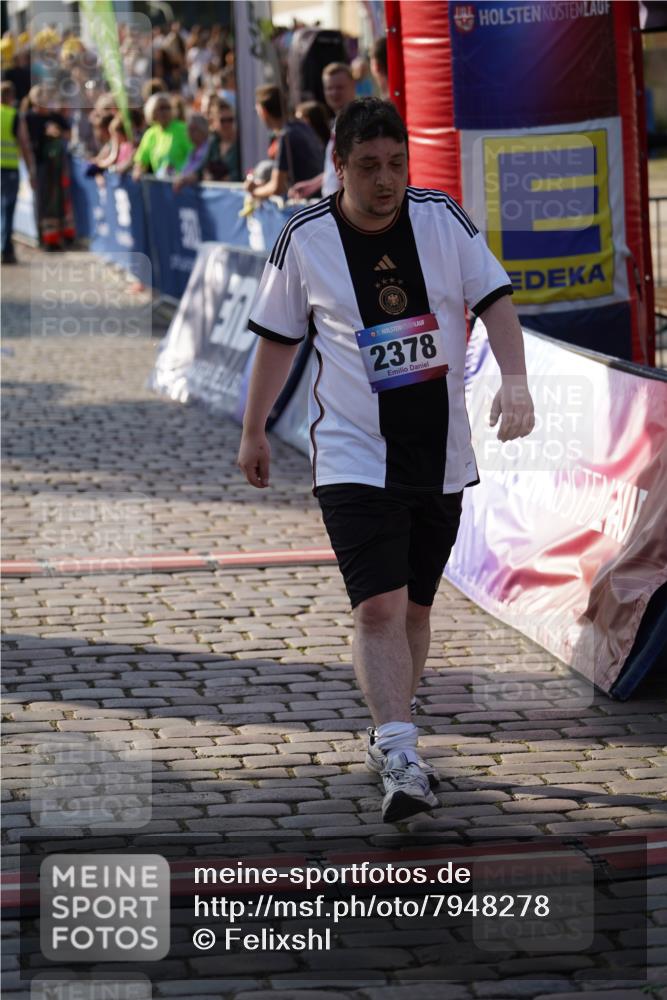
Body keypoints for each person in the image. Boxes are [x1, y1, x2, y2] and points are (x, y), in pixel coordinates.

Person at [238, 98, 535, 824]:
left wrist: (516, 379)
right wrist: (252, 431)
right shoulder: (302, 237)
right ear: (337, 166)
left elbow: (493, 298)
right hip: (350, 452)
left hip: (439, 452)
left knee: (415, 608)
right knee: (377, 606)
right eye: (368, 166)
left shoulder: (442, 218)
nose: (385, 180)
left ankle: (390, 726)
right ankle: (400, 750)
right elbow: (277, 340)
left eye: (396, 164)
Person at [288, 62, 356, 201]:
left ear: (352, 86)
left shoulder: (358, 122)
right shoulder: (338, 121)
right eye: (329, 88)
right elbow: (336, 168)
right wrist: (313, 185)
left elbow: (355, 169)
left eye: (340, 88)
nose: (334, 93)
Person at [244, 84, 323, 202]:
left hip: (306, 204)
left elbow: (277, 187)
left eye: (258, 111)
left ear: (264, 111)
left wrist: (253, 192)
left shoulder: (286, 136)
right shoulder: (302, 127)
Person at [23, 85, 75, 251]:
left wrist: (58, 132)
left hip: (58, 166)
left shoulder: (55, 117)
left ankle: (61, 237)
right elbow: (27, 142)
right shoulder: (29, 117)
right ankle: (45, 239)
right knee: (43, 203)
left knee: (60, 201)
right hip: (40, 165)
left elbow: (68, 133)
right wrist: (45, 134)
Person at [1, 80, 35, 264]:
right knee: (7, 209)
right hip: (9, 168)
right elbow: (24, 143)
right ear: (11, 97)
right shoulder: (14, 115)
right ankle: (6, 251)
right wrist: (31, 171)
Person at [132, 92, 192, 180]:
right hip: (161, 188)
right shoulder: (150, 134)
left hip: (182, 185)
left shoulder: (183, 129)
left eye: (168, 108)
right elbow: (141, 160)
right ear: (152, 111)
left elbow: (196, 155)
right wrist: (138, 171)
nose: (165, 111)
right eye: (161, 108)